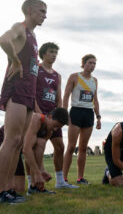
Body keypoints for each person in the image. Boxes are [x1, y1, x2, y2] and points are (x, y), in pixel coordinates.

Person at [0, 0, 46, 204]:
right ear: (29, 10)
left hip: (28, 94)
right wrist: (15, 59)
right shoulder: (21, 27)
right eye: (41, 11)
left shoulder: (34, 36)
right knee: (11, 140)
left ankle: (8, 189)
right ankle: (1, 190)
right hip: (16, 90)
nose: (45, 15)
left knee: (18, 142)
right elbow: (3, 40)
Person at [33, 42, 77, 189]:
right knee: (37, 146)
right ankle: (33, 181)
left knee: (60, 146)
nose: (54, 55)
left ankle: (60, 181)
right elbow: (31, 94)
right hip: (39, 115)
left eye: (55, 53)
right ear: (43, 53)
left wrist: (61, 115)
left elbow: (58, 97)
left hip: (54, 117)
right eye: (51, 52)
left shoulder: (57, 75)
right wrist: (39, 114)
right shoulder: (36, 70)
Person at [63, 54, 101, 185]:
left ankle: (80, 178)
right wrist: (64, 113)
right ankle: (64, 178)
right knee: (71, 146)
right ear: (84, 63)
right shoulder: (74, 76)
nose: (93, 66)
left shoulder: (95, 80)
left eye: (94, 63)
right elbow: (66, 95)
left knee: (83, 148)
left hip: (89, 113)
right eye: (90, 63)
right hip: (76, 111)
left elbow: (95, 100)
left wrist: (98, 117)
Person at [22, 108, 69, 195]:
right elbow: (26, 150)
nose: (55, 129)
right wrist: (37, 173)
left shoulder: (49, 131)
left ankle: (34, 187)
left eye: (58, 128)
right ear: (50, 116)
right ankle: (33, 185)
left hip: (20, 148)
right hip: (8, 145)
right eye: (55, 125)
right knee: (15, 188)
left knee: (41, 142)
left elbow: (38, 151)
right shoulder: (36, 119)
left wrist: (41, 170)